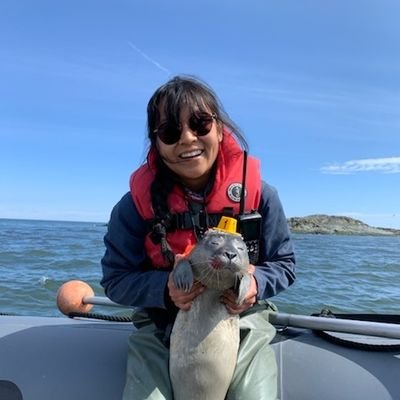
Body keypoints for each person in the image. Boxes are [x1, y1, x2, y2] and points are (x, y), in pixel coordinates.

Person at [101, 75, 296, 400]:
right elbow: (116, 280)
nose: (188, 139)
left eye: (200, 124)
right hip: (160, 324)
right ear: (156, 143)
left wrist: (255, 284)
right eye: (170, 132)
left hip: (241, 319)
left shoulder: (262, 196)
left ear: (220, 129)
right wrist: (164, 290)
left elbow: (285, 265)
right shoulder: (133, 206)